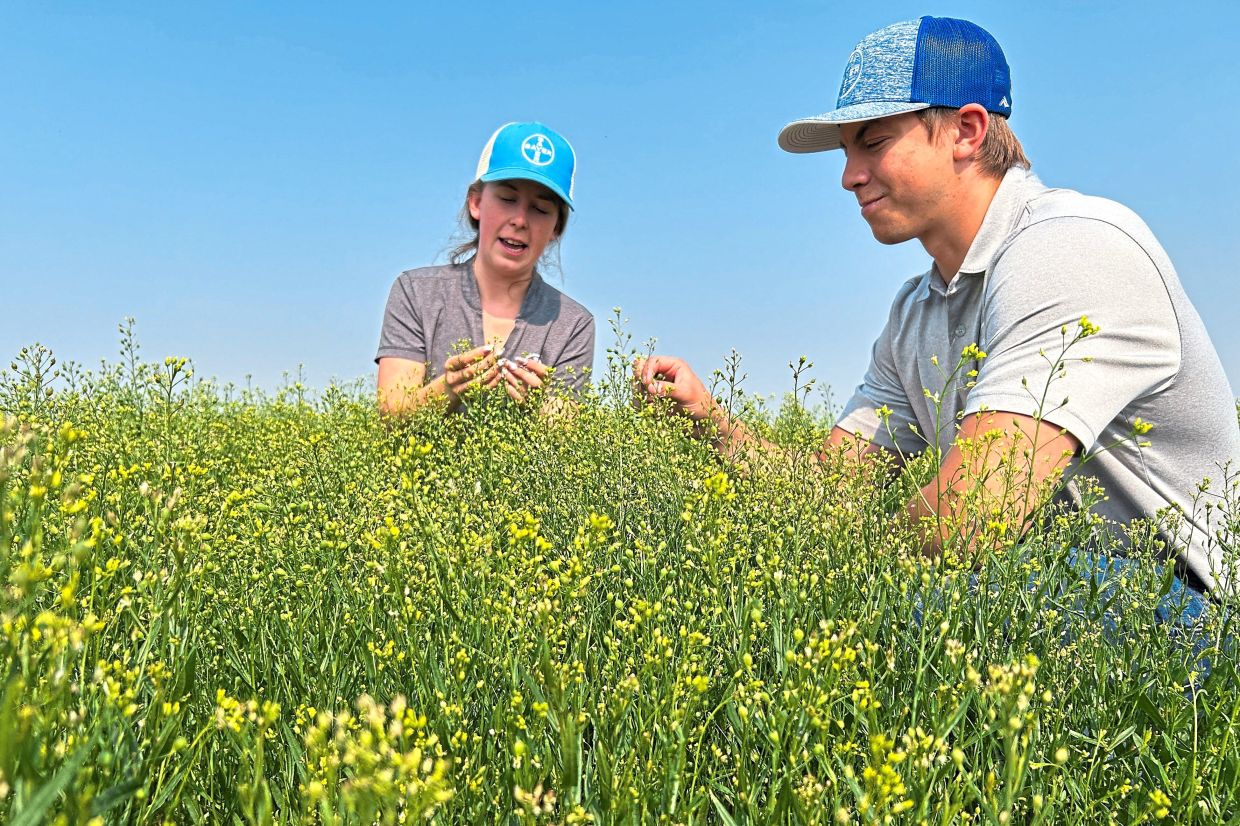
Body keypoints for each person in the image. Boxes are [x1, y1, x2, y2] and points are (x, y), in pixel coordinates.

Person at [635, 17, 1240, 608]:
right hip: (1060, 586)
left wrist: (829, 576)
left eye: (872, 142)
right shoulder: (916, 312)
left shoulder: (1071, 246)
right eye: (845, 153)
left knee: (893, 608)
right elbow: (828, 493)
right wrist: (710, 420)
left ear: (967, 132)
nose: (849, 177)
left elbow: (973, 516)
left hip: (1195, 610)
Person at [376, 121, 595, 416]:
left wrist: (539, 407)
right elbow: (392, 416)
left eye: (540, 209)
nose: (520, 220)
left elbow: (566, 439)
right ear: (476, 203)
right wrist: (449, 388)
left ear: (556, 227)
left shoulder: (573, 324)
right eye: (507, 199)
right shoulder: (415, 293)